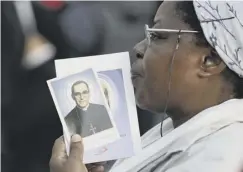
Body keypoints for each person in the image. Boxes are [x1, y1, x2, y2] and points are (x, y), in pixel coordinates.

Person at [50, 1, 243, 172]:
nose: (139, 48)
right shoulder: (174, 131)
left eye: (157, 36)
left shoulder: (219, 156)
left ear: (210, 60)